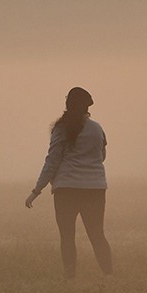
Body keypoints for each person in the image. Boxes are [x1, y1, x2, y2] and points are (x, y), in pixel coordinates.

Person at [25, 87, 112, 279]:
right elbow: (101, 156)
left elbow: (52, 161)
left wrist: (36, 190)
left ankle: (70, 277)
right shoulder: (97, 128)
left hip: (67, 189)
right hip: (95, 188)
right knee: (97, 234)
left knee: (67, 236)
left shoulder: (61, 128)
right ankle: (109, 275)